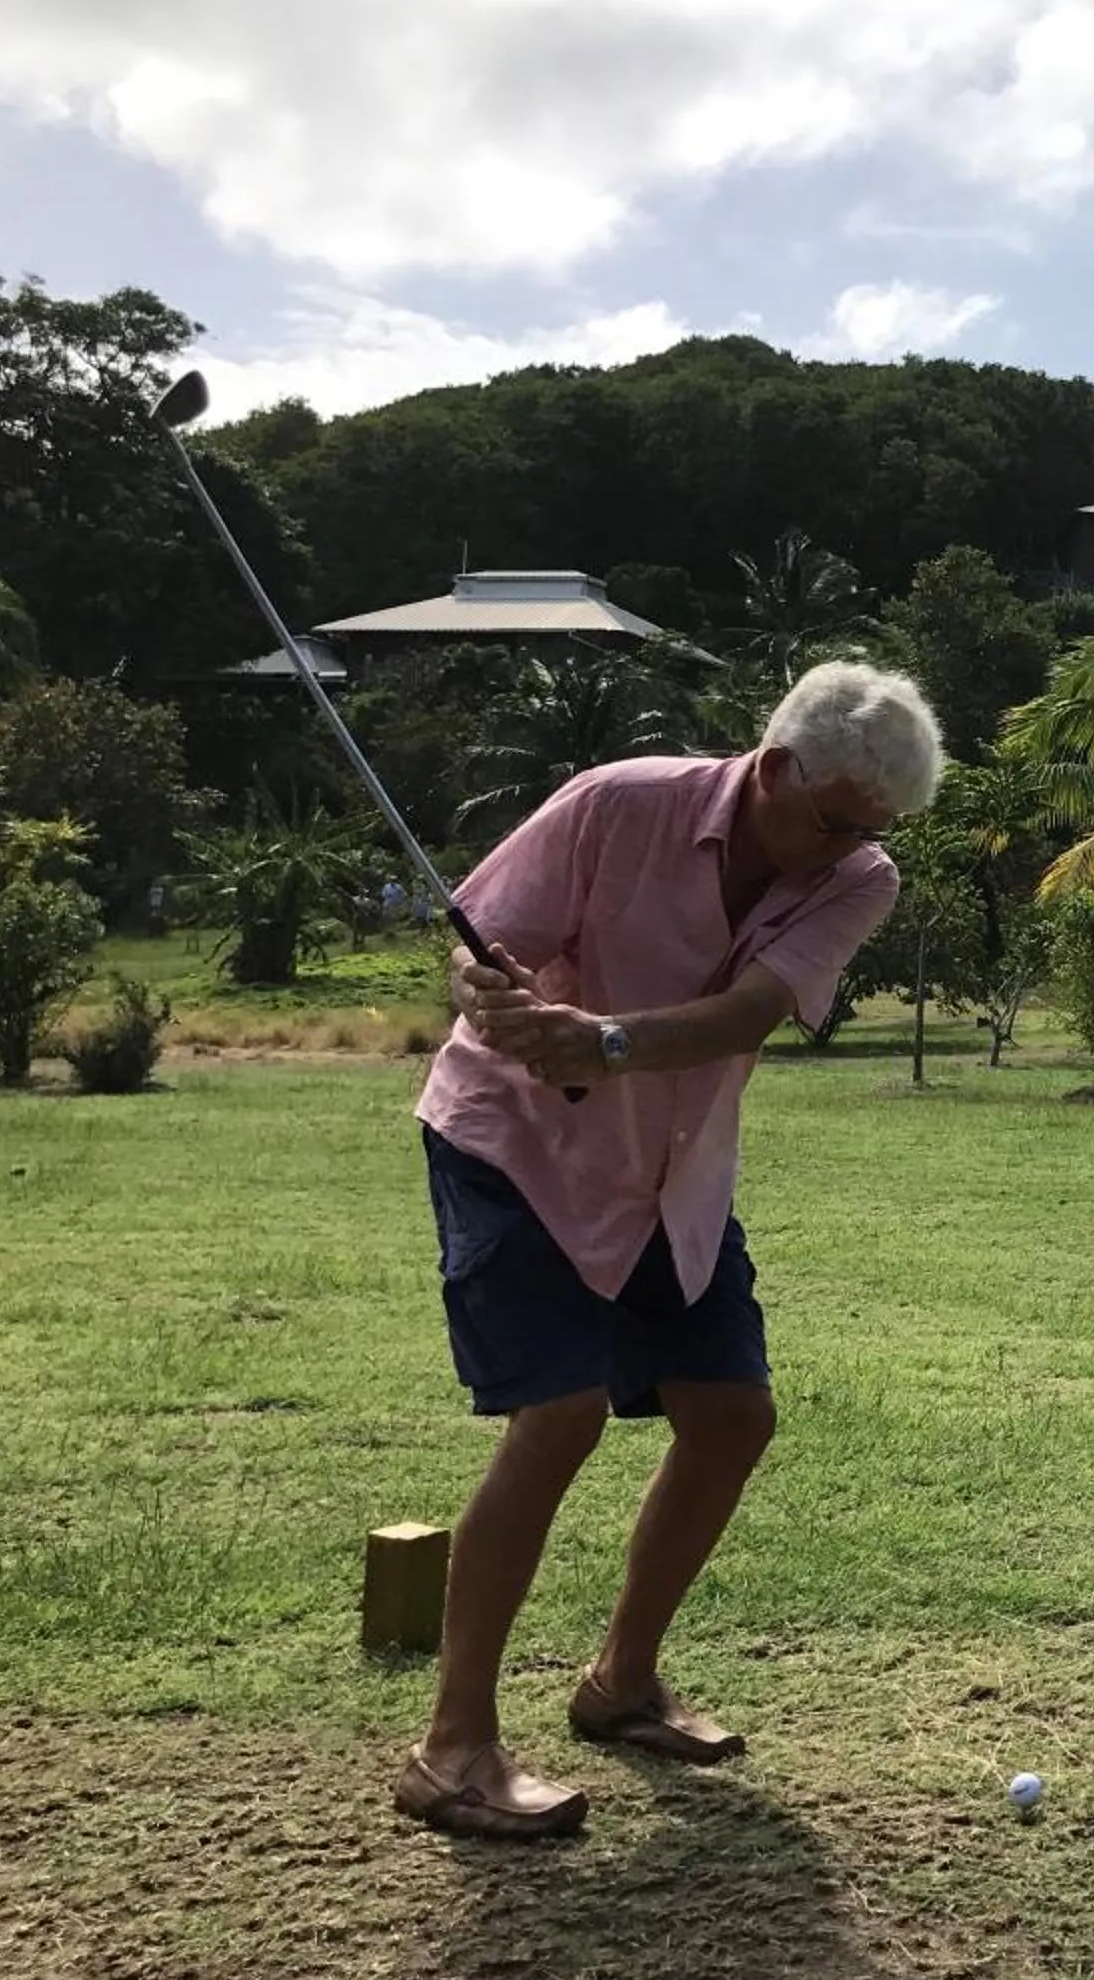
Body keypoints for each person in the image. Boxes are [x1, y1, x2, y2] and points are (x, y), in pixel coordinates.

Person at [393, 661, 943, 1839]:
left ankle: (621, 1683)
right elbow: (484, 945)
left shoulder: (861, 877)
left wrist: (604, 1039)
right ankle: (452, 1749)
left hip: (669, 1171)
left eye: (871, 831)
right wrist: (494, 1002)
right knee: (564, 1412)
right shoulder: (617, 803)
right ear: (778, 766)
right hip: (516, 1149)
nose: (844, 849)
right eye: (835, 819)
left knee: (734, 1416)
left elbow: (750, 1012)